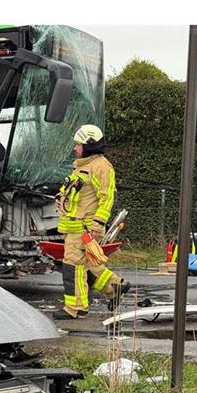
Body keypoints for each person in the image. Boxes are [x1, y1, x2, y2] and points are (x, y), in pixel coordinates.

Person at [53, 124, 130, 320]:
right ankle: (115, 287)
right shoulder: (82, 165)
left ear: (88, 146)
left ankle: (76, 308)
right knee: (88, 266)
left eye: (78, 145)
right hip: (75, 227)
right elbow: (76, 191)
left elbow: (106, 198)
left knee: (72, 266)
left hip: (85, 228)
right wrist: (61, 196)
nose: (75, 148)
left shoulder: (101, 166)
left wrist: (98, 224)